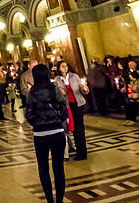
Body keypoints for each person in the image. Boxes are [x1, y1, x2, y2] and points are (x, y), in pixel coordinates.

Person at [26, 64, 68, 203]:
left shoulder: (32, 92)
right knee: (58, 169)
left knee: (43, 169)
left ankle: (50, 200)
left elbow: (29, 115)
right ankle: (60, 201)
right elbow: (64, 109)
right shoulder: (53, 89)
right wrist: (56, 120)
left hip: (41, 135)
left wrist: (38, 124)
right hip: (57, 132)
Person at [54, 61, 88, 160]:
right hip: (67, 106)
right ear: (59, 68)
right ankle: (72, 148)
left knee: (79, 129)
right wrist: (60, 92)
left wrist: (85, 89)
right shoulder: (57, 80)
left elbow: (81, 89)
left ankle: (82, 152)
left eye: (66, 66)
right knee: (70, 128)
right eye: (63, 66)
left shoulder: (74, 76)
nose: (65, 68)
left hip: (78, 104)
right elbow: (56, 94)